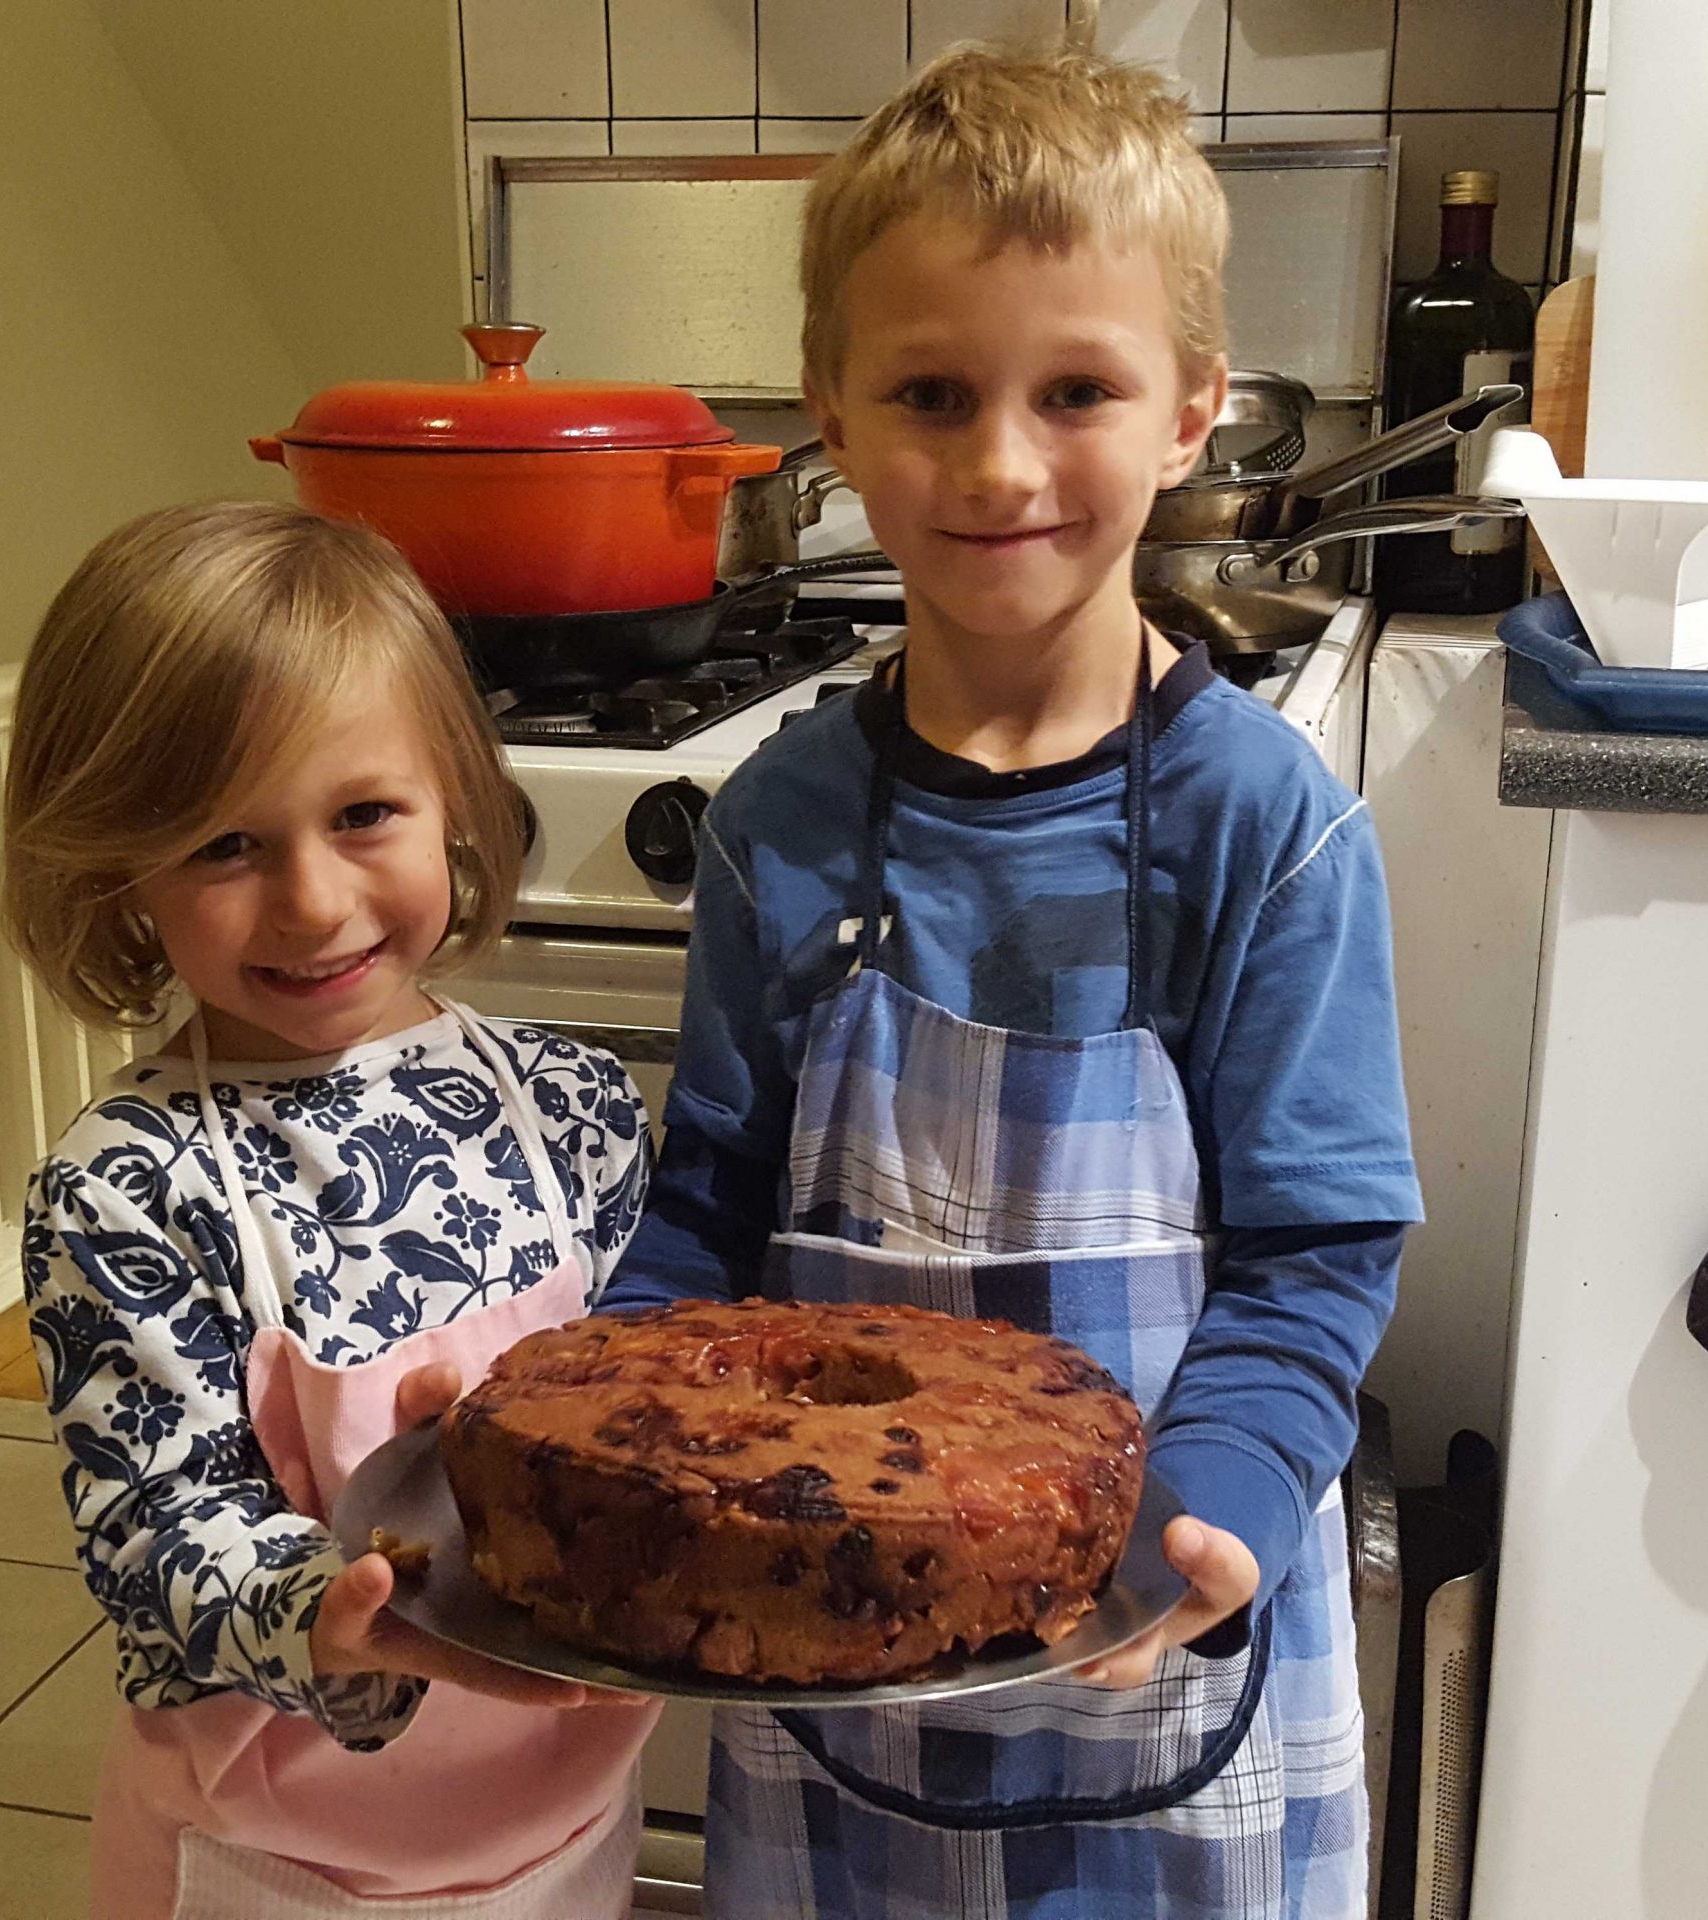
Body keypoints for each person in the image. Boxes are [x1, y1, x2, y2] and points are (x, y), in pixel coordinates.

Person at [597, 40, 1421, 1920]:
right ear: (829, 408)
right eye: (931, 393)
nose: (998, 464)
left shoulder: (1264, 829)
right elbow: (708, 1218)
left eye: (1076, 391)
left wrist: (1195, 1504)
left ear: (1195, 408)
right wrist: (574, 1387)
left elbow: (1321, 1254)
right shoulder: (781, 827)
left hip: (1158, 1661)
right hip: (839, 1682)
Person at [3, 500, 656, 1919]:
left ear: (457, 801)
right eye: (224, 847)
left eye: (364, 815)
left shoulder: (571, 1106)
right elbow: (156, 1531)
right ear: (124, 865)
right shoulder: (127, 1180)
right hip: (275, 1864)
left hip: (567, 1821)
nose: (310, 902)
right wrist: (337, 1617)